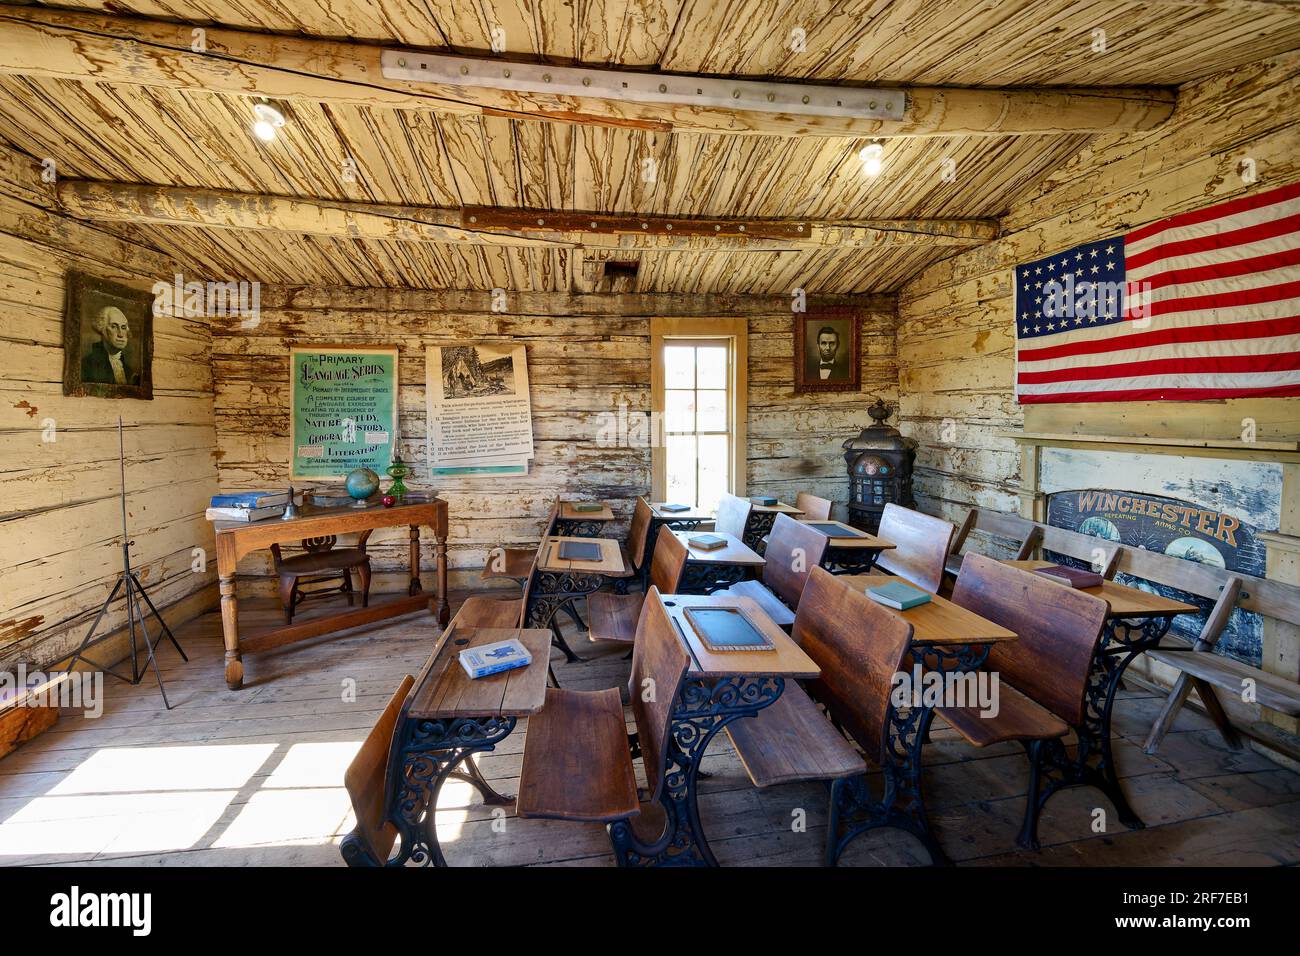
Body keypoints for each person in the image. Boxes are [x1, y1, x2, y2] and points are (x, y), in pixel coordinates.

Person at [81, 306, 139, 386]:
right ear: (102, 329)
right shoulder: (87, 366)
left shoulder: (129, 371)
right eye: (114, 326)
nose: (120, 334)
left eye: (123, 327)